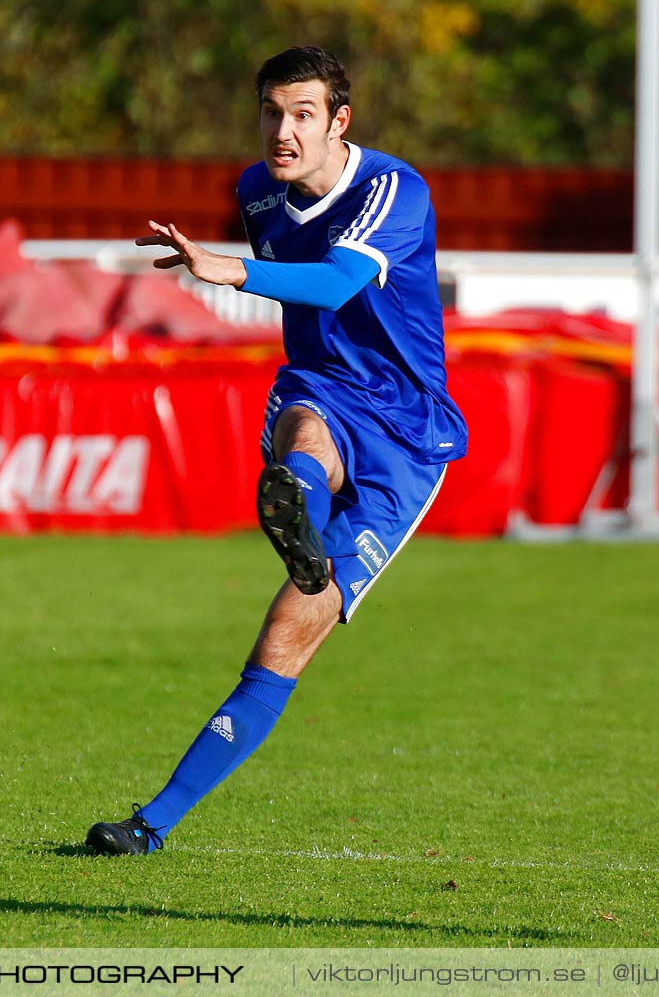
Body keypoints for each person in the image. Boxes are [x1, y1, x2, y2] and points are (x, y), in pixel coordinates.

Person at [84, 46, 468, 855]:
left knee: (285, 640)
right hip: (322, 388)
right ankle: (145, 831)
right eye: (270, 112)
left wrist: (228, 271)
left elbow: (333, 284)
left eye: (301, 115)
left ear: (339, 122)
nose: (282, 132)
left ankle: (306, 530)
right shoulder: (257, 192)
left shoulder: (394, 189)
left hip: (406, 434)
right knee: (304, 435)